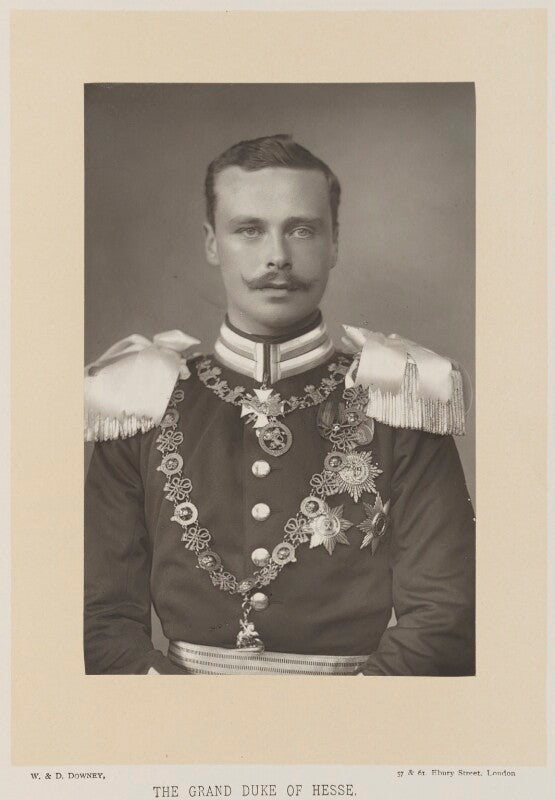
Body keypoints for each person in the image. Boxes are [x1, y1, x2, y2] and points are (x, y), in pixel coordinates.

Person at [84, 133, 475, 676]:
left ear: (334, 243)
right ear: (212, 243)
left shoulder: (402, 398)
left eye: (302, 229)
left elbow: (446, 616)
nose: (278, 257)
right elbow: (99, 619)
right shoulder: (139, 401)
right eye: (249, 229)